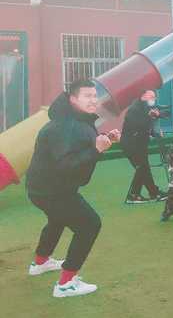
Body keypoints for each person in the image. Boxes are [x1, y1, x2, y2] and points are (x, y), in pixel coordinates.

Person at [26, 80, 120, 297]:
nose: (93, 100)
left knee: (58, 220)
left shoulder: (74, 120)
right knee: (89, 224)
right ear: (73, 99)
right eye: (87, 96)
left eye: (95, 96)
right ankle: (65, 284)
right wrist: (96, 150)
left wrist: (105, 140)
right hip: (53, 190)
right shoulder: (66, 125)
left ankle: (40, 263)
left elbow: (80, 143)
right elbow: (65, 164)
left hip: (44, 189)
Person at [121, 90, 167, 203]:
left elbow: (145, 127)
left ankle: (153, 193)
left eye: (154, 97)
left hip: (139, 143)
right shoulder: (134, 109)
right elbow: (138, 125)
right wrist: (151, 117)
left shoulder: (144, 108)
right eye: (151, 97)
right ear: (143, 96)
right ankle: (134, 195)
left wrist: (154, 131)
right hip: (132, 144)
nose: (153, 99)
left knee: (143, 168)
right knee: (142, 168)